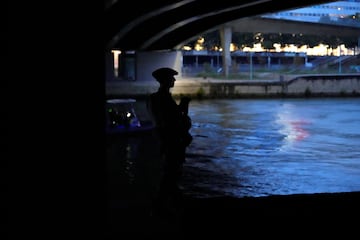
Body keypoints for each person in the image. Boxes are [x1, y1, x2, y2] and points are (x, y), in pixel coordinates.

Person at [147, 67, 193, 212]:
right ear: (165, 80)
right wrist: (184, 108)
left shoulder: (158, 98)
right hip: (172, 140)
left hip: (168, 139)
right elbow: (172, 120)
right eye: (171, 78)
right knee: (172, 171)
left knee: (171, 171)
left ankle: (168, 201)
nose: (174, 80)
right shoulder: (163, 98)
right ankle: (163, 203)